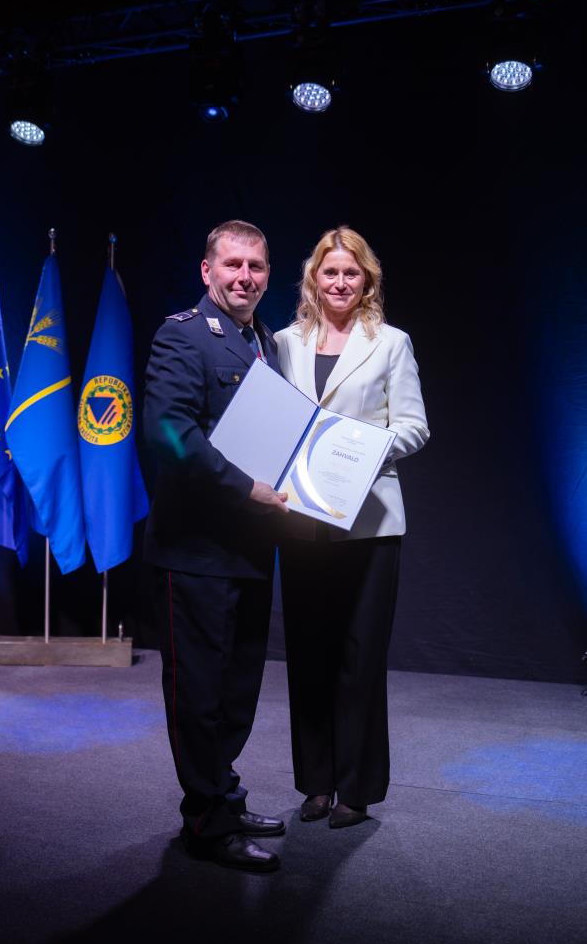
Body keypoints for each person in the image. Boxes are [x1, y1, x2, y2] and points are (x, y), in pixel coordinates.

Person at [143, 219, 289, 873]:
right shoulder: (183, 335)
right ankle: (206, 821)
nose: (244, 277)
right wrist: (246, 489)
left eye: (255, 267)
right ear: (207, 271)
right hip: (196, 552)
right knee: (199, 694)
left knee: (236, 691)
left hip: (252, 550)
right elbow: (169, 433)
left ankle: (224, 793)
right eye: (232, 264)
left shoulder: (266, 343)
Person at [274, 226, 429, 829]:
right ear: (313, 278)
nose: (340, 282)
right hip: (301, 522)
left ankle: (356, 790)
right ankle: (316, 784)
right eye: (330, 272)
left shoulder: (390, 343)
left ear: (368, 281)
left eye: (351, 273)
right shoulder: (283, 342)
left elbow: (413, 426)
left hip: (369, 523)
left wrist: (357, 452)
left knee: (359, 656)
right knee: (308, 651)